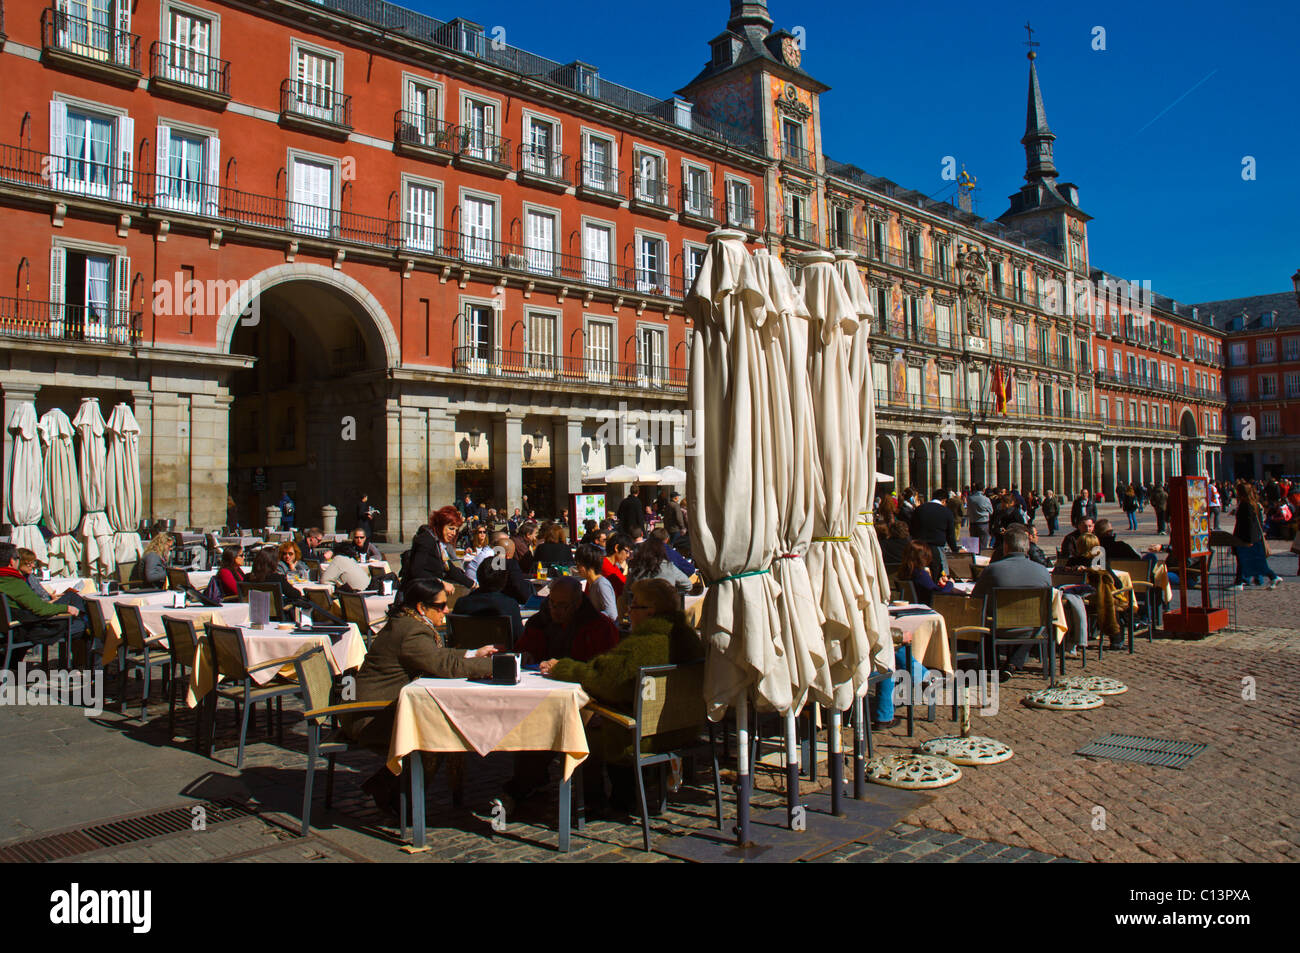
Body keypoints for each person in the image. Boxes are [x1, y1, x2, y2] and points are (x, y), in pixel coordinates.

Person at [540, 578, 703, 814]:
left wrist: (562, 668)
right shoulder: (688, 639)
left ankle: (595, 801)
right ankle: (633, 789)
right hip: (684, 730)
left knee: (588, 731)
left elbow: (604, 679)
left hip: (647, 735)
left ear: (650, 611)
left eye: (633, 605)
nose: (628, 610)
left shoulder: (644, 646)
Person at [341, 580, 498, 814]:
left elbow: (434, 655)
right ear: (421, 607)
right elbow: (442, 665)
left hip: (368, 708)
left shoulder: (406, 623)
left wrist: (473, 653)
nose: (446, 610)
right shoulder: (412, 631)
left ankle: (389, 788)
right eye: (441, 606)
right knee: (435, 736)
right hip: (369, 717)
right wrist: (493, 667)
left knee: (439, 729)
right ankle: (402, 803)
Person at [970, 527, 1053, 680]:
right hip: (1033, 628)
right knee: (1033, 621)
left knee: (983, 619)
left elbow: (976, 598)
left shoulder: (992, 570)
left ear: (1006, 547)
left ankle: (992, 663)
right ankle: (1013, 663)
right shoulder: (1042, 571)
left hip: (999, 628)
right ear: (1027, 547)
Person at [0, 542, 82, 670]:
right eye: (17, 558)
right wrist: (66, 608)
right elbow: (41, 609)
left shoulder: (4, 580)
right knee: (79, 619)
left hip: (11, 628)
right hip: (27, 629)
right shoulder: (13, 582)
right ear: (12, 561)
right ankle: (89, 664)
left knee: (76, 608)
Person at [14, 548, 88, 641]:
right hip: (39, 615)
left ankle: (86, 622)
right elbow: (34, 605)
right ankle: (88, 623)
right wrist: (49, 602)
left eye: (34, 563)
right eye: (29, 563)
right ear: (19, 563)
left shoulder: (28, 577)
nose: (32, 566)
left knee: (74, 600)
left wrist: (50, 597)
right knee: (73, 597)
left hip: (42, 608)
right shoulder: (18, 582)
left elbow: (40, 594)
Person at [450, 561, 524, 647]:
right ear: (504, 579)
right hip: (501, 656)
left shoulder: (461, 603)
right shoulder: (510, 605)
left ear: (478, 576)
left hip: (469, 656)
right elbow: (518, 639)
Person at [403, 506, 474, 593]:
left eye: (456, 530)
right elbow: (416, 570)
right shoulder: (426, 539)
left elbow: (450, 568)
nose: (453, 533)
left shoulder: (439, 543)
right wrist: (441, 583)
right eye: (451, 528)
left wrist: (473, 584)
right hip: (416, 595)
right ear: (440, 525)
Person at [1232, 483, 1281, 590]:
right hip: (1252, 537)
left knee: (1243, 560)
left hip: (1246, 537)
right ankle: (1272, 577)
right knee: (1250, 561)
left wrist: (1248, 539)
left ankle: (1239, 583)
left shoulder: (1246, 505)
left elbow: (1248, 524)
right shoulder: (1253, 504)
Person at [909, 493, 961, 576]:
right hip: (937, 548)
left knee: (920, 572)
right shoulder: (946, 512)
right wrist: (955, 549)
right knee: (940, 574)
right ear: (944, 500)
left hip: (920, 547)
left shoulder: (919, 509)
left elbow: (912, 528)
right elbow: (950, 535)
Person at [625, 533, 693, 595]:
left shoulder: (635, 568)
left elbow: (627, 589)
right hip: (665, 604)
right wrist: (672, 592)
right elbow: (688, 585)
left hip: (642, 604)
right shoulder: (669, 567)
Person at [898, 541, 956, 606]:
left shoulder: (905, 572)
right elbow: (940, 594)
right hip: (927, 607)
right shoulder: (921, 574)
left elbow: (930, 588)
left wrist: (939, 585)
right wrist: (950, 583)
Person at [573, 543, 619, 622]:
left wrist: (590, 616)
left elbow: (612, 614)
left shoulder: (601, 584)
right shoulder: (592, 583)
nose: (577, 568)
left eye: (578, 565)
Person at [966, 484, 993, 550]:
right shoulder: (985, 499)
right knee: (983, 544)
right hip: (983, 523)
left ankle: (973, 558)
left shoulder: (970, 498)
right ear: (983, 490)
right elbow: (991, 511)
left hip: (972, 522)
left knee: (973, 546)